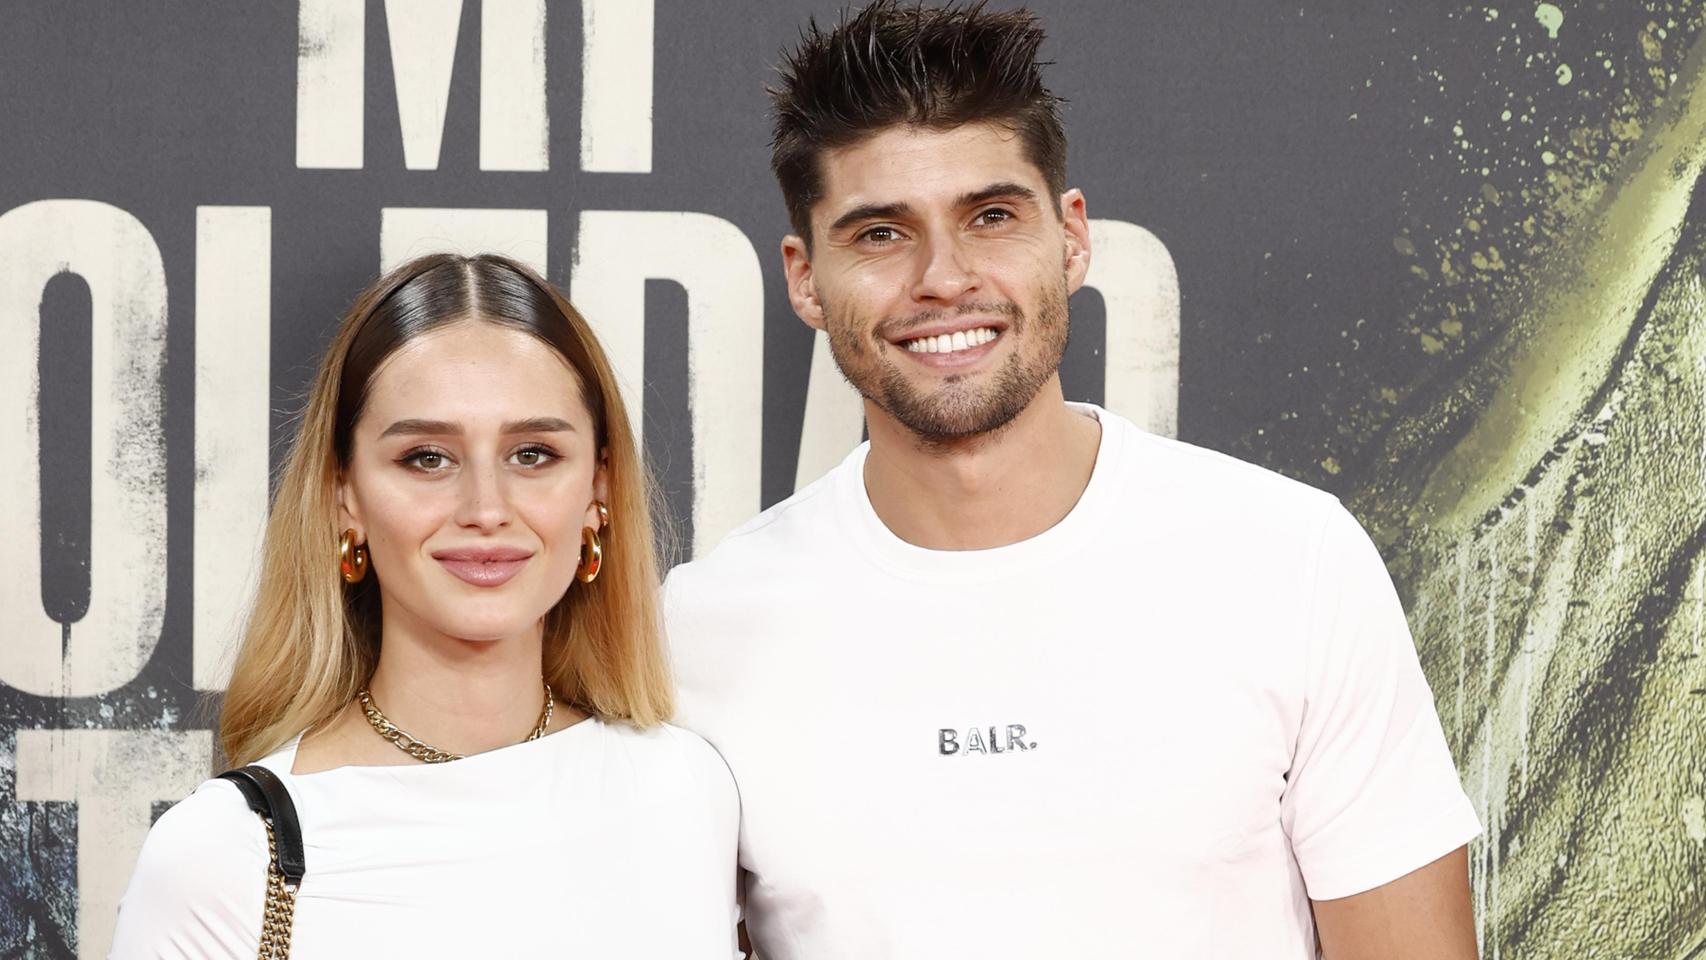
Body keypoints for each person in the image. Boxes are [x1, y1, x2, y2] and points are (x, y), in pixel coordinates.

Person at [662, 3, 1482, 958]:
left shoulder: (1291, 560)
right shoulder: (702, 628)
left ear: (1074, 237)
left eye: (993, 216)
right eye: (881, 234)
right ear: (805, 279)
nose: (944, 278)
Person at [111, 254, 740, 958]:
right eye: (427, 458)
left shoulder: (686, 791)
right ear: (342, 496)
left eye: (532, 454)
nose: (485, 508)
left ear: (599, 490)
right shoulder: (222, 857)